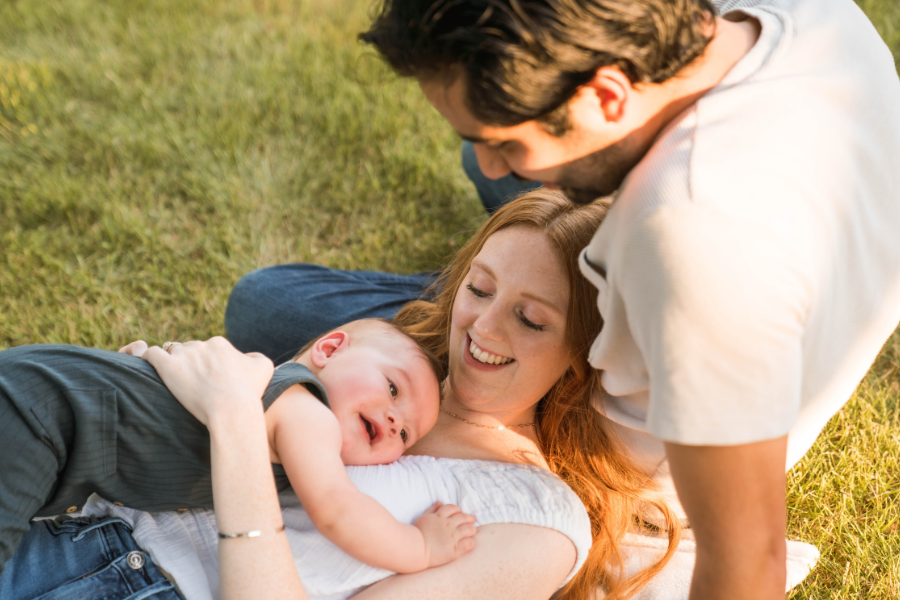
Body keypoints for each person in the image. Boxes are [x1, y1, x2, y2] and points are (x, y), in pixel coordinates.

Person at [354, 0, 900, 598]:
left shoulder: (683, 240)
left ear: (610, 97)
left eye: (505, 144)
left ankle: (517, 289)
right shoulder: (809, 15)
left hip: (590, 423)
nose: (496, 162)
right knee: (491, 153)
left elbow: (747, 561)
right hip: (778, 242)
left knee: (270, 303)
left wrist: (508, 303)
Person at [1, 191, 681, 600]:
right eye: (477, 288)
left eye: (531, 320)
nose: (481, 326)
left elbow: (245, 416)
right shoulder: (388, 367)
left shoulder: (540, 519)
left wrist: (234, 415)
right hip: (67, 517)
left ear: (582, 357)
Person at [0, 318, 479, 579]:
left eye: (406, 435)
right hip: (45, 418)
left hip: (49, 425)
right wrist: (421, 546)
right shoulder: (306, 407)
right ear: (330, 350)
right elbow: (338, 509)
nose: (395, 421)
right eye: (393, 390)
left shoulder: (261, 394)